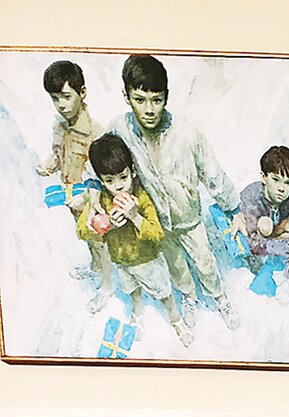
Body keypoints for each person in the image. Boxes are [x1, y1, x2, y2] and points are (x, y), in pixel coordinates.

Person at [108, 53, 242, 329]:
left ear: (166, 97)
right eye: (140, 99)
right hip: (157, 223)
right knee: (177, 266)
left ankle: (219, 298)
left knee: (205, 262)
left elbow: (213, 174)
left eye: (156, 100)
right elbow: (100, 163)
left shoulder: (187, 134)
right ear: (126, 95)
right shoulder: (119, 129)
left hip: (190, 219)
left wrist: (234, 209)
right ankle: (188, 297)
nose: (148, 109)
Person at [78, 134, 191, 346]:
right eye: (109, 181)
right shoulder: (101, 200)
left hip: (148, 261)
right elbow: (82, 232)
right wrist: (102, 224)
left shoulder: (141, 198)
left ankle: (176, 320)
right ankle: (137, 315)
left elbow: (156, 234)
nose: (118, 186)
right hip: (122, 262)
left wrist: (134, 216)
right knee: (132, 292)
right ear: (101, 181)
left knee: (164, 294)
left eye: (123, 177)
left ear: (133, 172)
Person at [35, 59, 113, 311]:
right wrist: (51, 164)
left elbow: (104, 176)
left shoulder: (96, 133)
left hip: (92, 200)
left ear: (82, 93)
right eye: (55, 98)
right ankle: (94, 267)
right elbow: (60, 154)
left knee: (100, 242)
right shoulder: (59, 126)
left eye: (67, 97)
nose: (61, 105)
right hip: (71, 197)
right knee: (86, 239)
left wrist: (90, 202)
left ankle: (107, 286)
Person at [239, 145, 289, 300]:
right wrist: (275, 245)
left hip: (276, 247)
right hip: (251, 254)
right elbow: (250, 240)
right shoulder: (252, 196)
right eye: (276, 180)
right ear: (263, 177)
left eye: (288, 183)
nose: (282, 188)